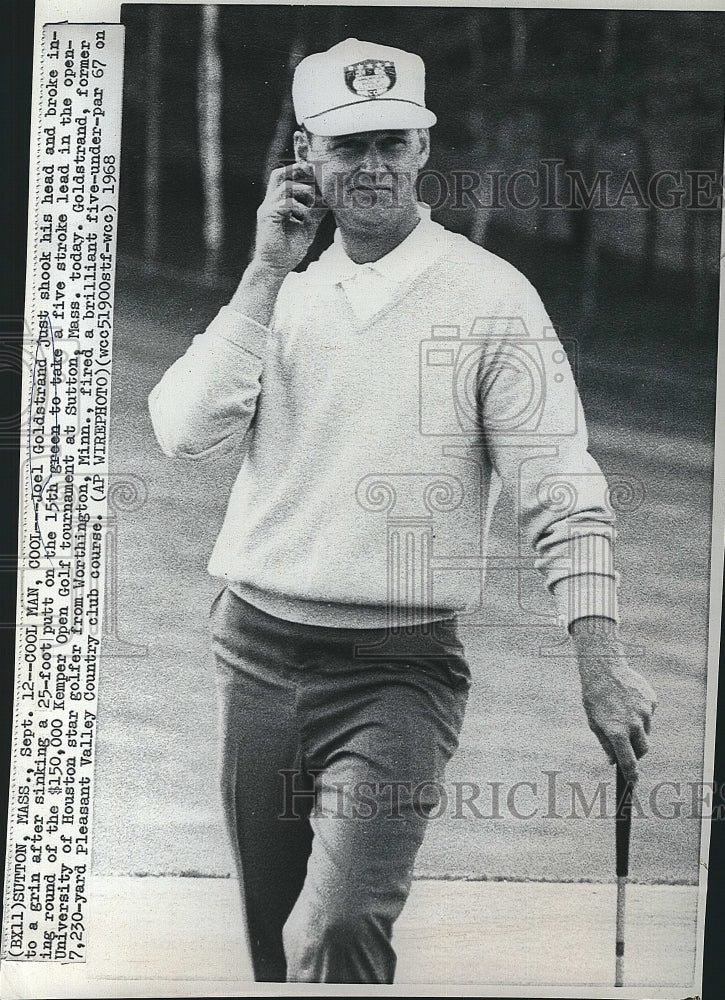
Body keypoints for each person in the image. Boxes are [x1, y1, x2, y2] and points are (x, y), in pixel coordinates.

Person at [148, 37, 657, 985]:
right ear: (307, 154)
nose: (373, 167)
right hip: (253, 652)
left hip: (398, 671)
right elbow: (181, 431)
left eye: (393, 143)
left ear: (423, 150)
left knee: (336, 932)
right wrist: (261, 274)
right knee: (274, 946)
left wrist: (601, 659)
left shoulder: (492, 299)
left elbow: (562, 487)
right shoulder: (280, 293)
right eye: (349, 147)